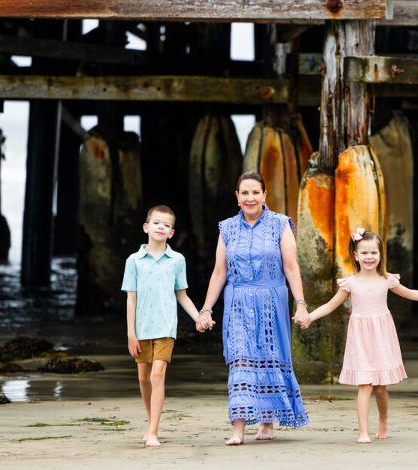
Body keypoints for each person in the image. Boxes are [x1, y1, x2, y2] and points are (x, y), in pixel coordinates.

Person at [196, 172, 310, 445]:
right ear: (237, 196)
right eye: (244, 193)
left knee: (269, 356)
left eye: (255, 192)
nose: (250, 198)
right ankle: (238, 429)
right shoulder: (227, 228)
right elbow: (219, 272)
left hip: (272, 299)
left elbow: (291, 268)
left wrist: (301, 305)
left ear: (264, 195)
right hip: (238, 302)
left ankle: (267, 421)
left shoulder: (280, 224)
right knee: (241, 359)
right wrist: (206, 309)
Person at [297, 229, 418, 443]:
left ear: (380, 255)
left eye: (374, 253)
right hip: (360, 338)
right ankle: (362, 431)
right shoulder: (350, 283)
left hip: (382, 336)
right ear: (356, 255)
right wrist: (310, 317)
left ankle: (383, 421)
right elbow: (330, 305)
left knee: (380, 387)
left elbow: (409, 293)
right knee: (365, 384)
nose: (369, 257)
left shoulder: (387, 280)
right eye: (364, 253)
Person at [121, 205, 199, 448]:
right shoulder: (134, 261)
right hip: (141, 328)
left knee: (157, 375)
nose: (161, 228)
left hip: (166, 328)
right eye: (156, 223)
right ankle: (150, 422)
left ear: (171, 233)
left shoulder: (177, 260)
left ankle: (153, 432)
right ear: (146, 227)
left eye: (166, 225)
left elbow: (182, 295)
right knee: (143, 377)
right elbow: (131, 298)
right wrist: (130, 333)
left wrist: (198, 317)